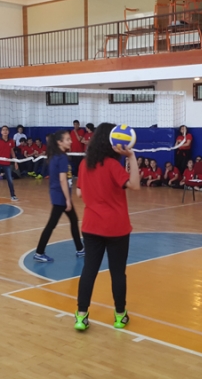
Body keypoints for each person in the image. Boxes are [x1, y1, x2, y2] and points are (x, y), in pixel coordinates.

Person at [74, 123, 140, 332]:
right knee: (117, 273)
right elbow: (135, 185)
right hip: (116, 227)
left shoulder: (84, 164)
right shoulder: (112, 165)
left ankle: (81, 316)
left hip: (91, 226)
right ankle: (120, 315)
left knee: (89, 271)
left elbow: (79, 193)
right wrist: (131, 157)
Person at [34, 130, 84, 263]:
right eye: (68, 139)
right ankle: (39, 252)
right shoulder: (61, 157)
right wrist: (67, 199)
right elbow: (62, 180)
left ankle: (80, 249)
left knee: (73, 220)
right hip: (60, 196)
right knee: (51, 224)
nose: (71, 141)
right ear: (59, 142)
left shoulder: (56, 156)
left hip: (58, 194)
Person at [0, 125, 18, 202]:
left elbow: (12, 152)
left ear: (8, 132)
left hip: (6, 163)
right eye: (3, 130)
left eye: (6, 130)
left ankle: (13, 195)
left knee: (10, 179)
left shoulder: (11, 141)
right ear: (1, 132)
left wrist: (16, 162)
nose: (5, 131)